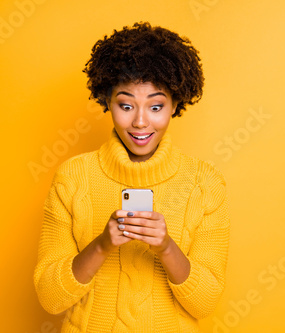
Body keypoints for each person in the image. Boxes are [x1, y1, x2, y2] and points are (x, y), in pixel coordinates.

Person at [33, 21, 231, 332]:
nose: (140, 122)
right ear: (106, 101)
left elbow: (204, 304)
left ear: (176, 104)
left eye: (155, 106)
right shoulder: (73, 178)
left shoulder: (204, 184)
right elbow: (50, 298)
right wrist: (101, 245)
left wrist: (166, 246)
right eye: (126, 105)